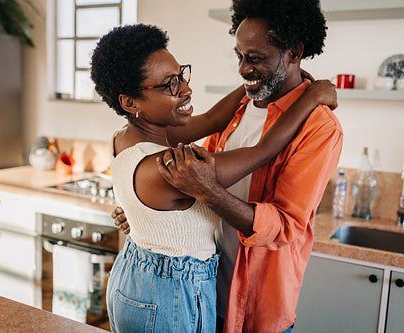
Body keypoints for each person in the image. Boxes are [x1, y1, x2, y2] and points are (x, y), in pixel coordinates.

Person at [91, 23, 336, 332]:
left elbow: (211, 119)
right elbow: (264, 150)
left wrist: (260, 80)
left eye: (182, 75)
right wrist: (310, 96)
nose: (186, 88)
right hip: (170, 294)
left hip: (137, 275)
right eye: (170, 84)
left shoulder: (128, 135)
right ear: (130, 102)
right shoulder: (172, 165)